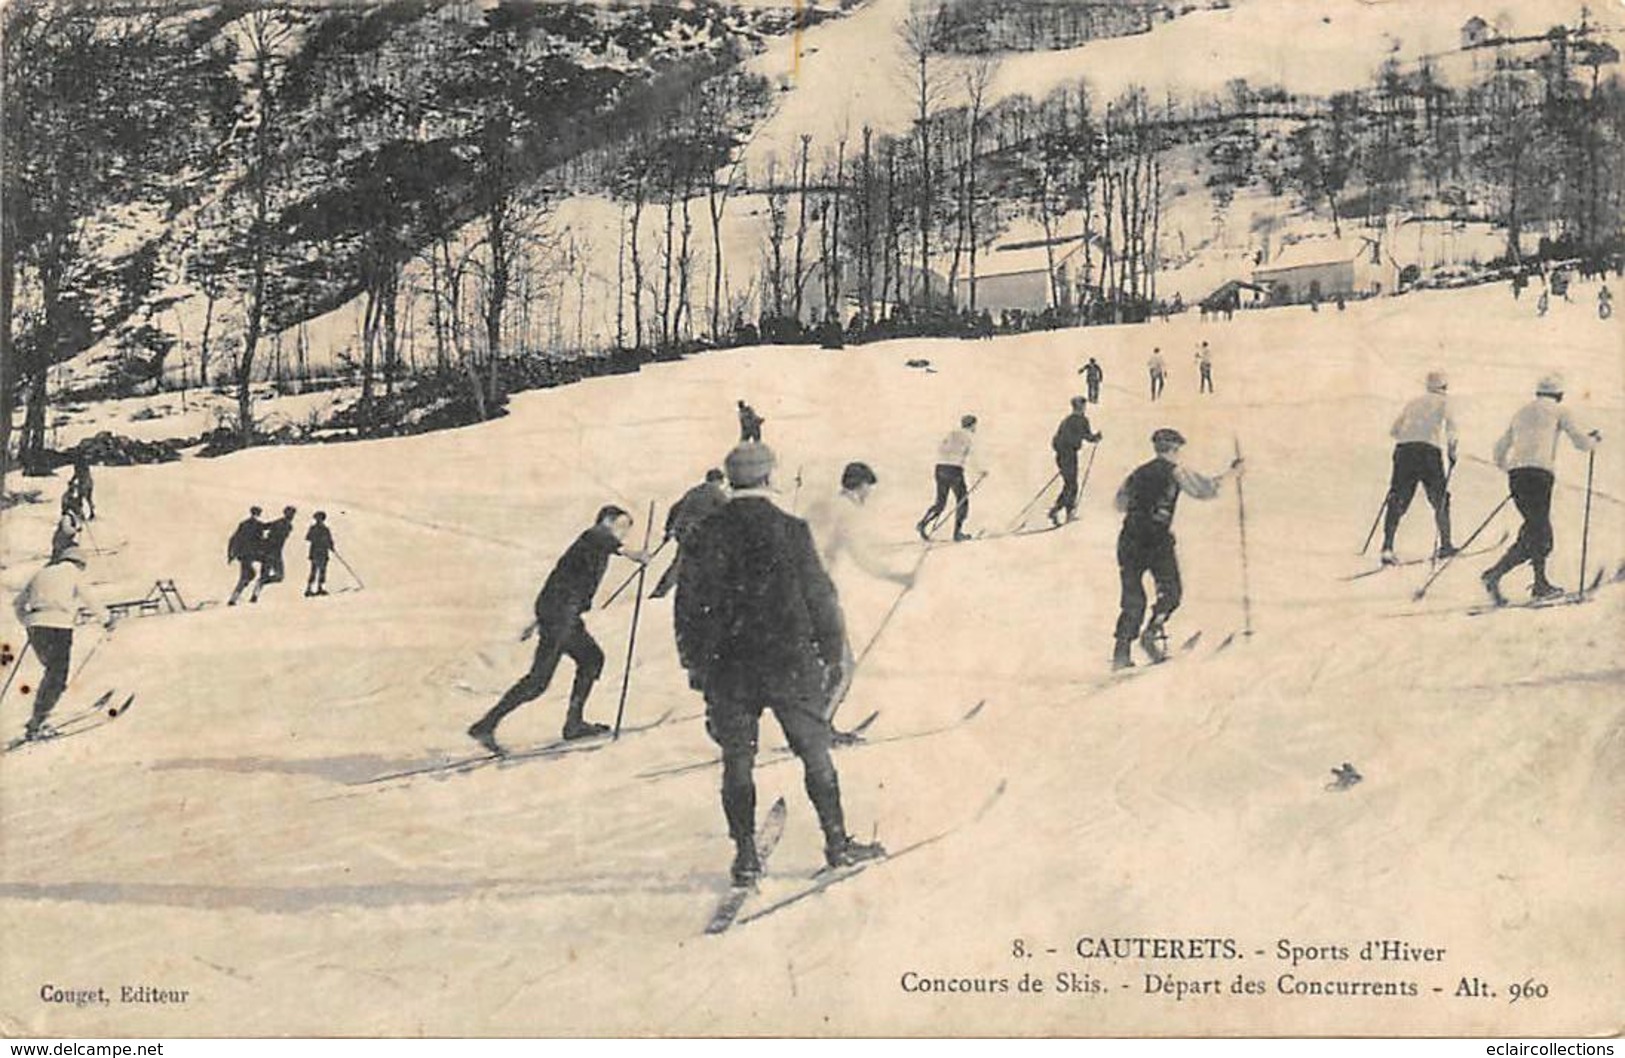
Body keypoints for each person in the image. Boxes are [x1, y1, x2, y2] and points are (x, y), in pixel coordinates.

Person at [675, 442, 885, 885]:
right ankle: (836, 843)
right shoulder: (791, 530)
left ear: (731, 481)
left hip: (728, 666)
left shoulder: (706, 531)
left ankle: (746, 855)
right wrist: (831, 654)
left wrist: (694, 663)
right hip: (789, 661)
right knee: (814, 751)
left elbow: (688, 606)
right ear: (769, 477)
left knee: (737, 758)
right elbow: (820, 595)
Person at [467, 505, 649, 753]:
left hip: (563, 614)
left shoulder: (592, 548)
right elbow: (601, 538)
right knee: (538, 681)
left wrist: (537, 621)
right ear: (607, 520)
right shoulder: (594, 536)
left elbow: (560, 578)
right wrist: (633, 554)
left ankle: (573, 724)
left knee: (591, 659)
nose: (624, 533)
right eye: (623, 526)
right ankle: (485, 726)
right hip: (561, 614)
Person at [1111, 429, 1242, 670]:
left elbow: (1119, 503)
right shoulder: (1176, 471)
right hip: (1157, 540)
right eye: (1177, 449)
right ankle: (1151, 632)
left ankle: (1121, 652)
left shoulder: (1138, 473)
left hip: (1129, 539)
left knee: (1132, 597)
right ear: (1173, 449)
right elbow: (1205, 490)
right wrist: (1232, 474)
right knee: (1170, 591)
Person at [806, 461, 916, 738]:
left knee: (818, 664)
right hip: (819, 595)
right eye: (869, 489)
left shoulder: (822, 504)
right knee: (842, 666)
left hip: (794, 594)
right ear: (862, 486)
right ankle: (819, 731)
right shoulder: (848, 512)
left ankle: (811, 725)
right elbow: (862, 556)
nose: (869, 496)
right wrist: (897, 577)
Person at [1480, 375, 1602, 605]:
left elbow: (1499, 449)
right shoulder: (1559, 411)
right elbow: (1581, 443)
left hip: (1518, 476)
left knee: (1534, 529)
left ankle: (1535, 582)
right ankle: (1500, 576)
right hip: (1539, 476)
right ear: (1559, 394)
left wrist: (1512, 469)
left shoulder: (1521, 412)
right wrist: (1593, 440)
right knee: (1541, 532)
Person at [11, 546, 113, 742]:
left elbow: (18, 603)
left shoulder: (41, 572)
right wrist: (107, 619)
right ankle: (37, 723)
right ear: (79, 563)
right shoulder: (73, 573)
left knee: (51, 674)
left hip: (35, 627)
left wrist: (27, 620)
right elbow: (89, 598)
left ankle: (39, 717)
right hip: (58, 626)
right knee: (56, 676)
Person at [1380, 371, 1458, 564]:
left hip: (1404, 450)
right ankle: (1446, 545)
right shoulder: (1444, 403)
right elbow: (1451, 429)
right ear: (1444, 387)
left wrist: (1410, 438)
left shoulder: (1413, 402)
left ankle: (1387, 546)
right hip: (1428, 452)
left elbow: (1394, 430)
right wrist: (1452, 452)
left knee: (1398, 497)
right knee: (1439, 498)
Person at [650, 469, 729, 599]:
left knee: (680, 562)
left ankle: (660, 592)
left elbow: (674, 508)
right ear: (719, 481)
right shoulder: (716, 492)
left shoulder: (693, 491)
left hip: (684, 532)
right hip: (700, 534)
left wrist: (668, 530)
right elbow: (729, 512)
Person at [915, 414, 978, 542]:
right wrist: (980, 471)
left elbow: (941, 448)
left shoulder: (951, 434)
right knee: (962, 501)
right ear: (972, 425)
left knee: (940, 503)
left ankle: (923, 523)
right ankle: (957, 533)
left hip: (940, 468)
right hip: (954, 470)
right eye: (975, 425)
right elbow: (971, 457)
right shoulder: (968, 437)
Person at [1047, 397, 1103, 526]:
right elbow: (1088, 436)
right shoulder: (1081, 420)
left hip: (1062, 455)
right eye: (1082, 406)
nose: (1083, 408)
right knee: (1071, 485)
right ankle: (1058, 510)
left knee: (1070, 484)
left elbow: (1056, 439)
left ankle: (1064, 511)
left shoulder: (1067, 420)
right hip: (1069, 455)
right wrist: (1097, 438)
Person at [226, 506, 266, 606]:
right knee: (246, 576)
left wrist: (231, 554)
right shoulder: (259, 525)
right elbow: (260, 541)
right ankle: (233, 598)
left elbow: (233, 538)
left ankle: (236, 596)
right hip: (252, 554)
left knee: (249, 574)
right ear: (259, 514)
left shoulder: (243, 524)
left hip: (243, 554)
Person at [256, 506, 296, 594]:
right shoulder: (281, 523)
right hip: (271, 552)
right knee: (276, 575)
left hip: (275, 552)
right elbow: (265, 527)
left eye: (293, 514)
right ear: (286, 513)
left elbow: (265, 527)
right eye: (290, 513)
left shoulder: (287, 525)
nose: (292, 516)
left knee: (278, 576)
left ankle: (258, 587)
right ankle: (256, 594)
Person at [305, 511, 334, 597]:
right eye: (317, 518)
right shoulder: (313, 528)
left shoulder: (325, 529)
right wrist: (320, 540)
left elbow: (330, 540)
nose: (319, 520)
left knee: (322, 571)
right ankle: (309, 588)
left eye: (320, 518)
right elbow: (308, 538)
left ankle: (319, 588)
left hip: (323, 552)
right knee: (314, 571)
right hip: (316, 552)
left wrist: (331, 546)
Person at [69, 456, 95, 520]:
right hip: (89, 482)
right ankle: (91, 512)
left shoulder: (78, 466)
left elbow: (77, 474)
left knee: (80, 498)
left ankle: (81, 513)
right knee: (88, 498)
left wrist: (72, 481)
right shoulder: (86, 466)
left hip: (84, 483)